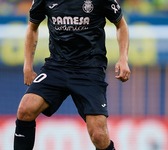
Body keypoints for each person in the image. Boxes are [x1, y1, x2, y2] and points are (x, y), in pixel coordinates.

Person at [14, 0, 130, 149]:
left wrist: (123, 59)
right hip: (57, 66)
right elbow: (32, 26)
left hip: (89, 69)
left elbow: (121, 25)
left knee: (98, 135)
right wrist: (27, 66)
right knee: (25, 109)